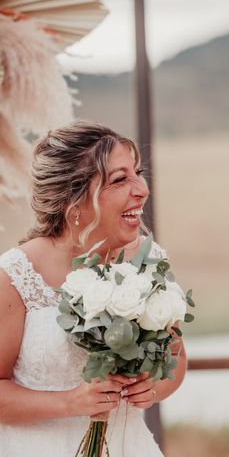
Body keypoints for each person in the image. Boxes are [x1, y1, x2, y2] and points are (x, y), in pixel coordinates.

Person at [0, 121, 187, 455]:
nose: (141, 188)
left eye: (137, 172)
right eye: (119, 179)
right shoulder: (16, 275)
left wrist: (152, 387)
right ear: (74, 197)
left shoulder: (148, 259)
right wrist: (72, 402)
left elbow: (176, 358)